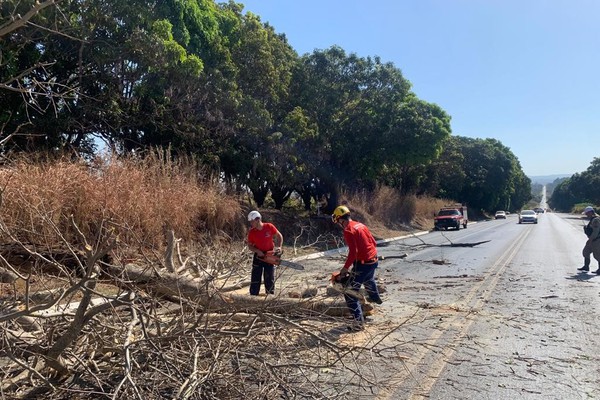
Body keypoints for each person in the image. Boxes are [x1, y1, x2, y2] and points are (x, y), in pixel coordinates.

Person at [331, 205, 383, 331]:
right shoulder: (361, 225)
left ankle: (358, 323)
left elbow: (353, 253)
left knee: (349, 293)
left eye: (338, 222)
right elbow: (374, 243)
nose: (339, 224)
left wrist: (345, 268)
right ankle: (375, 297)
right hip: (373, 260)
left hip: (363, 264)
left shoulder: (348, 230)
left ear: (340, 220)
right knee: (369, 279)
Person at [247, 210, 284, 295]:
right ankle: (253, 296)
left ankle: (270, 295)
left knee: (269, 278)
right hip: (258, 256)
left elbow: (279, 236)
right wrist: (257, 251)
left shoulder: (269, 227)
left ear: (257, 219)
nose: (251, 224)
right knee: (255, 278)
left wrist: (279, 247)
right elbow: (250, 246)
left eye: (252, 221)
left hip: (269, 254)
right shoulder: (252, 232)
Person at [578, 206, 600, 274]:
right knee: (586, 252)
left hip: (596, 240)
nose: (586, 215)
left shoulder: (596, 220)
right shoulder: (592, 219)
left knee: (597, 255)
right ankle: (586, 266)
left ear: (590, 212)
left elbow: (595, 232)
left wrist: (590, 240)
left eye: (587, 213)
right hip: (592, 240)